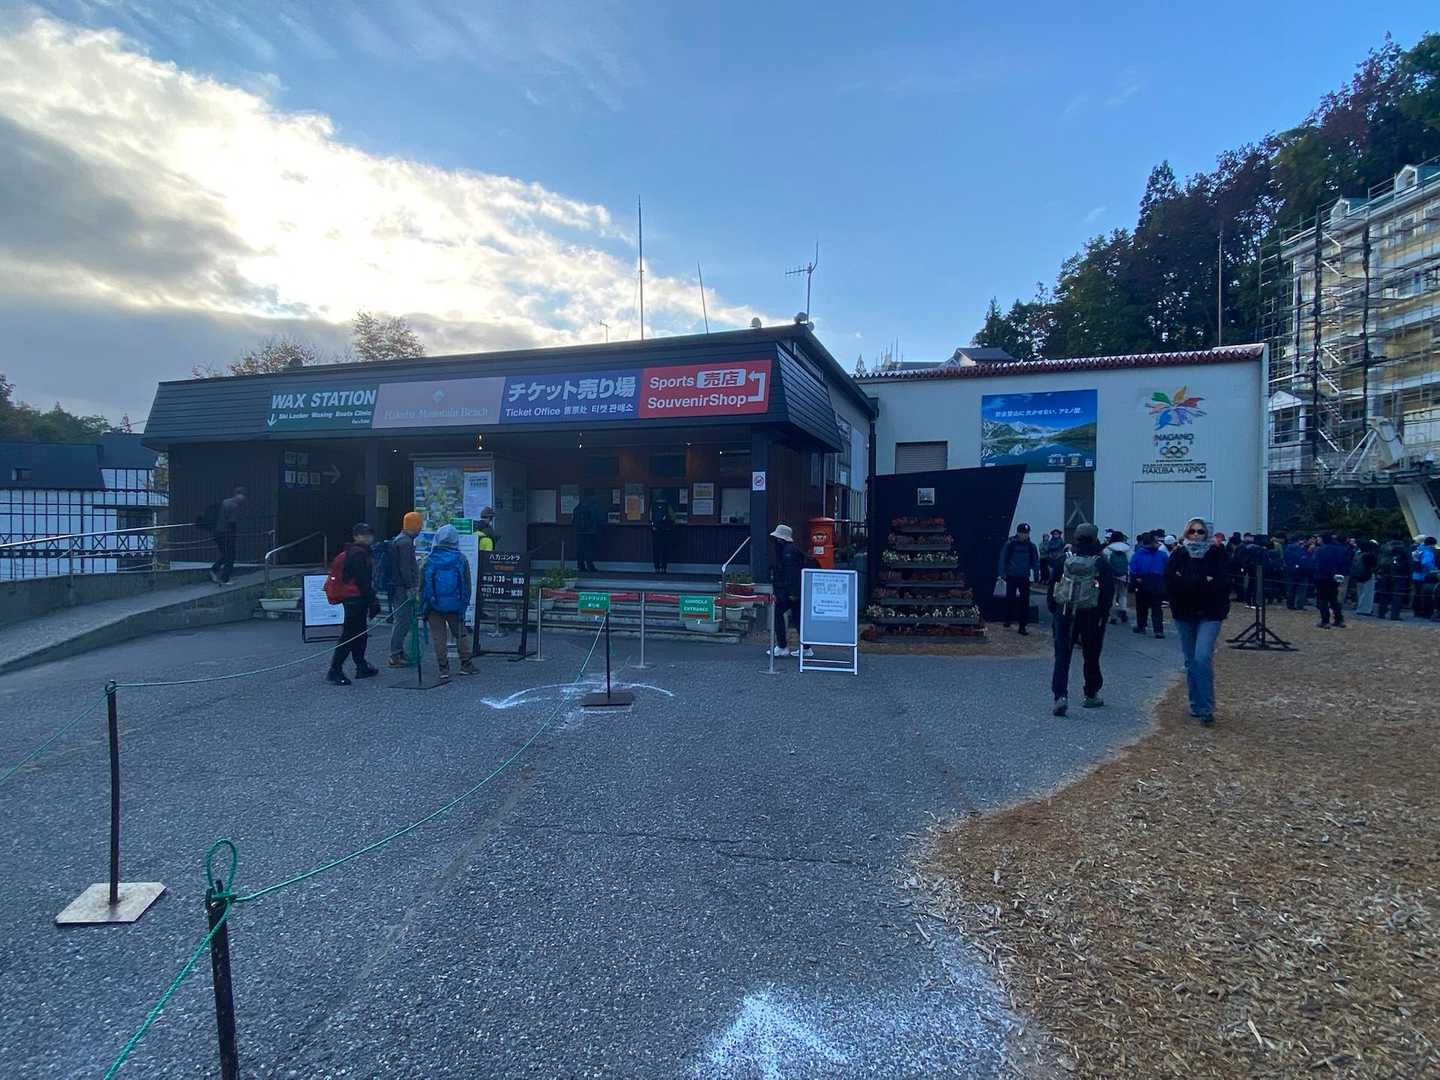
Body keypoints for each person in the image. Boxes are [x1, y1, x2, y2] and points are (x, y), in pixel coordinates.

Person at [1164, 517, 1230, 725]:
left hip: (1210, 613)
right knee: (1191, 660)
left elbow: (1223, 582)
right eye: (1192, 531)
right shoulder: (1179, 553)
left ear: (1206, 534)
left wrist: (1191, 582)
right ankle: (1196, 704)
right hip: (1184, 613)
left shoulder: (1217, 553)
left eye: (1200, 531)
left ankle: (1206, 707)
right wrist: (1200, 582)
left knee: (1202, 657)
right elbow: (1170, 580)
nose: (1196, 535)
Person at [1047, 523, 1115, 716]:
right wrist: (1103, 615)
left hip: (1065, 612)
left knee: (1062, 655)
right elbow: (1107, 593)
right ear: (1095, 538)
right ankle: (1091, 694)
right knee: (1091, 654)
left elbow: (1052, 586)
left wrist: (1055, 610)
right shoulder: (1100, 562)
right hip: (1091, 614)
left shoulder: (1064, 559)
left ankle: (1060, 696)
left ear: (1076, 537)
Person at [326, 522, 381, 686]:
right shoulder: (359, 554)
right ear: (356, 536)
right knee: (351, 635)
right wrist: (372, 600)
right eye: (364, 534)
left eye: (369, 534)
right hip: (355, 598)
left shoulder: (353, 552)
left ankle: (361, 665)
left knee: (359, 633)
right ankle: (335, 669)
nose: (368, 537)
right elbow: (362, 580)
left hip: (353, 597)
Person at [421, 523, 475, 682]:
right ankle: (466, 664)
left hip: (434, 605)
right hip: (455, 604)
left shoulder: (429, 559)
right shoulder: (460, 558)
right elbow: (467, 584)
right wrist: (464, 604)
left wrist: (422, 606)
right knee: (460, 633)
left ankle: (443, 668)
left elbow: (422, 585)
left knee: (438, 637)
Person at [386, 511, 422, 668]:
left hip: (397, 586)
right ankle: (395, 654)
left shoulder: (399, 539)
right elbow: (405, 568)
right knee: (402, 620)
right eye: (419, 525)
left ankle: (398, 652)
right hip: (402, 588)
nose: (420, 529)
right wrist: (411, 586)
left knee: (402, 620)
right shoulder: (406, 543)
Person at [768, 523, 808, 657]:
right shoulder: (792, 550)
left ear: (780, 539)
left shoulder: (787, 553)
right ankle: (806, 647)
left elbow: (791, 574)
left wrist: (792, 592)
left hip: (788, 592)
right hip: (794, 591)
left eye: (776, 538)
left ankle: (782, 646)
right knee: (798, 619)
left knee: (778, 614)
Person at [996, 522, 1040, 636]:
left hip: (1024, 577)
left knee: (1024, 602)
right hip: (1011, 576)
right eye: (1023, 533)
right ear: (1018, 533)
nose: (1024, 535)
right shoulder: (1010, 544)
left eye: (1026, 533)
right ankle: (1008, 618)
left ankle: (1022, 626)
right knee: (1010, 599)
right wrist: (1002, 574)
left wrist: (1036, 577)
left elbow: (1035, 562)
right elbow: (1003, 558)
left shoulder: (1031, 546)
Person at [1129, 531, 1168, 638]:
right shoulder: (1162, 555)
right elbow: (1167, 568)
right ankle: (1158, 630)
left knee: (1142, 606)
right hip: (1157, 582)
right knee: (1156, 607)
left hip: (1142, 581)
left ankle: (1141, 626)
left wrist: (1134, 581)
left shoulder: (1138, 554)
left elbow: (1133, 569)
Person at [208, 485, 247, 585]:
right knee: (230, 556)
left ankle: (214, 570)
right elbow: (232, 523)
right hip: (226, 533)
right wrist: (234, 536)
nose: (243, 498)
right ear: (238, 495)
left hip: (217, 532)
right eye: (242, 495)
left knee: (226, 555)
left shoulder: (225, 502)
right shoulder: (234, 506)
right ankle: (224, 578)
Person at [1312, 533, 1350, 629]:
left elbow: (1317, 564)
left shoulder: (1320, 550)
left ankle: (1325, 621)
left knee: (1322, 599)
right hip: (1336, 576)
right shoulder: (1340, 549)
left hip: (1322, 576)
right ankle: (1339, 619)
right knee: (1333, 598)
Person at [1377, 535, 1411, 620]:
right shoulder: (1404, 547)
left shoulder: (1384, 546)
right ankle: (1394, 615)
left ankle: (1381, 613)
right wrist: (1409, 572)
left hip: (1385, 572)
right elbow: (1409, 560)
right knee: (1397, 595)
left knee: (1384, 593)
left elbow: (1379, 558)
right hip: (1399, 573)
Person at [1103, 530, 1131, 625]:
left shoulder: (1108, 549)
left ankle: (1113, 616)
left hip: (1111, 575)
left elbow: (1105, 562)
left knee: (1113, 595)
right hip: (1124, 575)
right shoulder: (1127, 548)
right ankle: (1123, 610)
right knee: (1123, 594)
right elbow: (1131, 561)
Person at [1412, 536, 1438, 619]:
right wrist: (1435, 569)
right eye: (1434, 545)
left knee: (1417, 594)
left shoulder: (1418, 549)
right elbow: (1426, 563)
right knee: (1425, 595)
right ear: (1431, 544)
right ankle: (1425, 613)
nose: (1434, 547)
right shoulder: (1428, 552)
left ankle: (1417, 611)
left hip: (1415, 575)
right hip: (1423, 576)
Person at [573, 494, 601, 573]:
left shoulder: (577, 508)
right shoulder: (592, 507)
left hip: (579, 532)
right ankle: (590, 567)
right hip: (589, 533)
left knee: (580, 550)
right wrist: (594, 529)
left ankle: (580, 566)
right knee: (589, 550)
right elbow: (596, 519)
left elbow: (573, 521)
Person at [1352, 539, 1379, 617]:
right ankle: (1365, 609)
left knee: (1360, 592)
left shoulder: (1357, 554)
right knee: (1368, 593)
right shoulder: (1369, 555)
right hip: (1368, 575)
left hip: (1358, 575)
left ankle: (1360, 607)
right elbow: (1374, 565)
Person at [651, 497, 675, 573]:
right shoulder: (667, 505)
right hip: (665, 530)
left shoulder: (653, 505)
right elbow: (673, 517)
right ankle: (664, 567)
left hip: (656, 530)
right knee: (664, 549)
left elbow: (650, 518)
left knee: (656, 550)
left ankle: (656, 567)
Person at [1282, 534, 1306, 609]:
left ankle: (1290, 604)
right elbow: (1302, 558)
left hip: (1289, 569)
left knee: (1290, 588)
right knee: (1300, 588)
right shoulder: (1299, 548)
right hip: (1300, 570)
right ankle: (1299, 604)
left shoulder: (1287, 548)